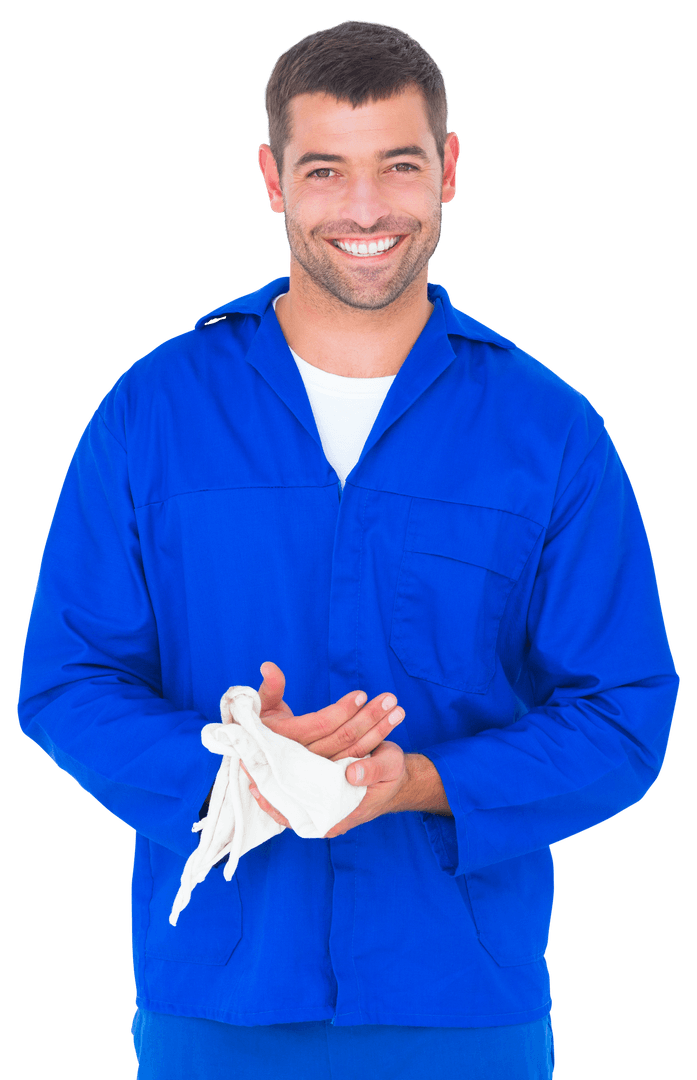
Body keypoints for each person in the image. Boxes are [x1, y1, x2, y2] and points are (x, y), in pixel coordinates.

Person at [17, 19, 679, 1080]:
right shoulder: (152, 411)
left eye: (398, 167)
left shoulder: (548, 432)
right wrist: (236, 766)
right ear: (274, 180)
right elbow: (67, 680)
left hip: (463, 1009)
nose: (365, 210)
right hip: (216, 1005)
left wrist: (415, 780)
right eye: (326, 170)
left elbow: (623, 711)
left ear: (448, 170)